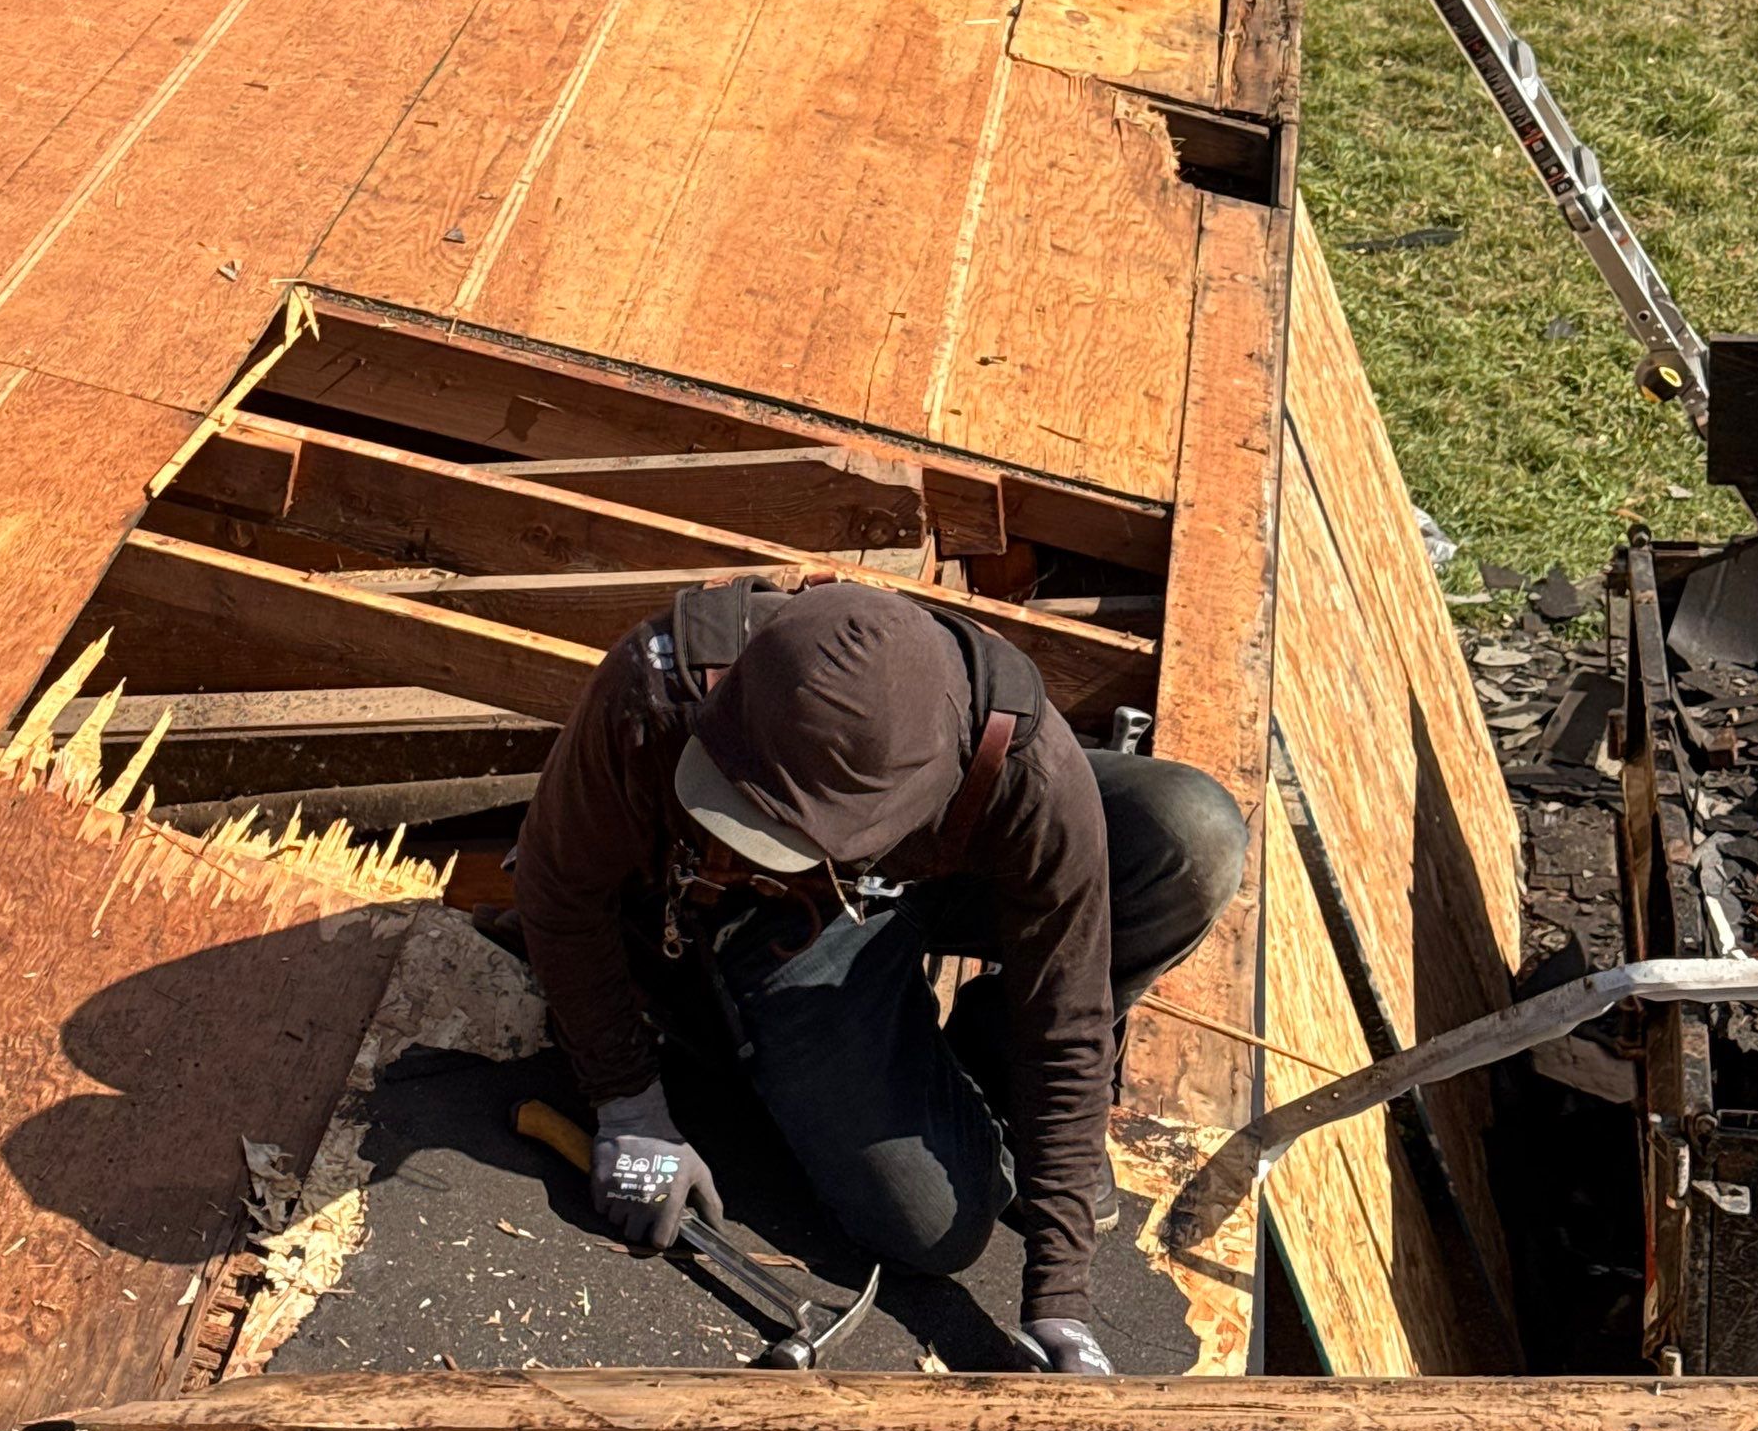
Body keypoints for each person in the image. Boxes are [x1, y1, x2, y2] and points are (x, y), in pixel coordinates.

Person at [512, 579, 1248, 1374]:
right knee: (936, 1228)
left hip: (927, 865)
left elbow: (1069, 1017)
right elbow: (557, 890)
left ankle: (996, 1068)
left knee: (1191, 836)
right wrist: (630, 1106)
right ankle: (902, 1074)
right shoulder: (661, 686)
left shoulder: (1027, 765)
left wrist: (1060, 1302)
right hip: (780, 922)